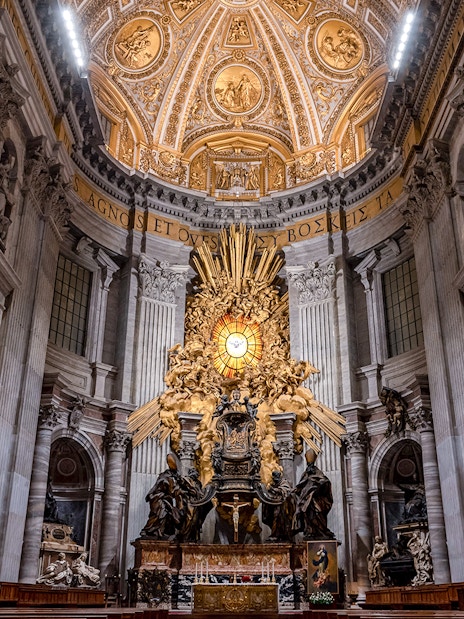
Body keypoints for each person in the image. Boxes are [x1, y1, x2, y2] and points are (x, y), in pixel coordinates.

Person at [141, 453, 187, 539]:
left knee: (168, 516)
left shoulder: (169, 477)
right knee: (159, 515)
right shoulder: (166, 477)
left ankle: (161, 532)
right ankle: (150, 531)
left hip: (163, 499)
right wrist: (181, 491)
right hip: (157, 499)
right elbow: (172, 491)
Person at [292, 449, 335, 540]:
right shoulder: (305, 474)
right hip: (307, 502)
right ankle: (310, 531)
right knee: (308, 517)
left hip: (317, 501)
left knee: (317, 516)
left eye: (310, 464)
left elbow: (325, 482)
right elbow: (301, 485)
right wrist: (297, 490)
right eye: (308, 464)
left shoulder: (318, 473)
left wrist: (317, 488)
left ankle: (320, 531)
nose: (309, 467)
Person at [262, 470, 295, 542]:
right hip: (275, 506)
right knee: (274, 519)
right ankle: (275, 534)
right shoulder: (273, 484)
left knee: (280, 520)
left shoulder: (284, 483)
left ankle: (279, 535)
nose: (275, 480)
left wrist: (274, 490)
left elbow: (285, 491)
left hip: (283, 508)